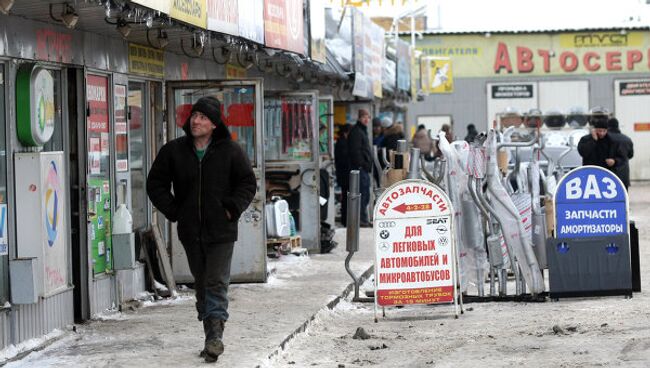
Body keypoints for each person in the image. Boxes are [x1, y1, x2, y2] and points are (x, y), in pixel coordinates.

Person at [146, 96, 256, 363]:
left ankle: (214, 338)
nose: (196, 121)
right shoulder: (174, 151)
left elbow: (247, 183)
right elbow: (155, 184)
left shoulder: (231, 151)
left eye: (203, 117)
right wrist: (175, 211)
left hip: (222, 230)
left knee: (216, 281)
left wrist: (231, 208)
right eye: (194, 115)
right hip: (190, 231)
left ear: (215, 124)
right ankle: (211, 334)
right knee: (203, 284)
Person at [577, 108, 626, 180]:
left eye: (604, 131)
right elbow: (583, 152)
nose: (602, 133)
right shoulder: (585, 139)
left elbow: (622, 157)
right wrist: (593, 140)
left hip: (607, 176)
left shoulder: (612, 141)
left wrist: (614, 161)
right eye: (599, 131)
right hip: (590, 175)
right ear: (594, 129)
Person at [348, 109, 373, 227]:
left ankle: (363, 219)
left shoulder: (362, 131)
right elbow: (355, 151)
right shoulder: (357, 131)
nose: (366, 119)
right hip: (360, 169)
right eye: (364, 117)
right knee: (362, 195)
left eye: (368, 117)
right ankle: (361, 220)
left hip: (364, 168)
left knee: (366, 195)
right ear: (359, 118)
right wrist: (362, 164)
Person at [608, 117, 634, 190]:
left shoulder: (606, 138)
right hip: (624, 174)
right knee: (624, 198)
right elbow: (631, 155)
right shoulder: (627, 139)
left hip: (609, 174)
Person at [334, 124, 351, 226]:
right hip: (344, 175)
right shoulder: (343, 143)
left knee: (345, 197)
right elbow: (344, 159)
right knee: (345, 198)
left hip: (342, 175)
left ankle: (345, 219)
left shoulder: (341, 142)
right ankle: (345, 220)